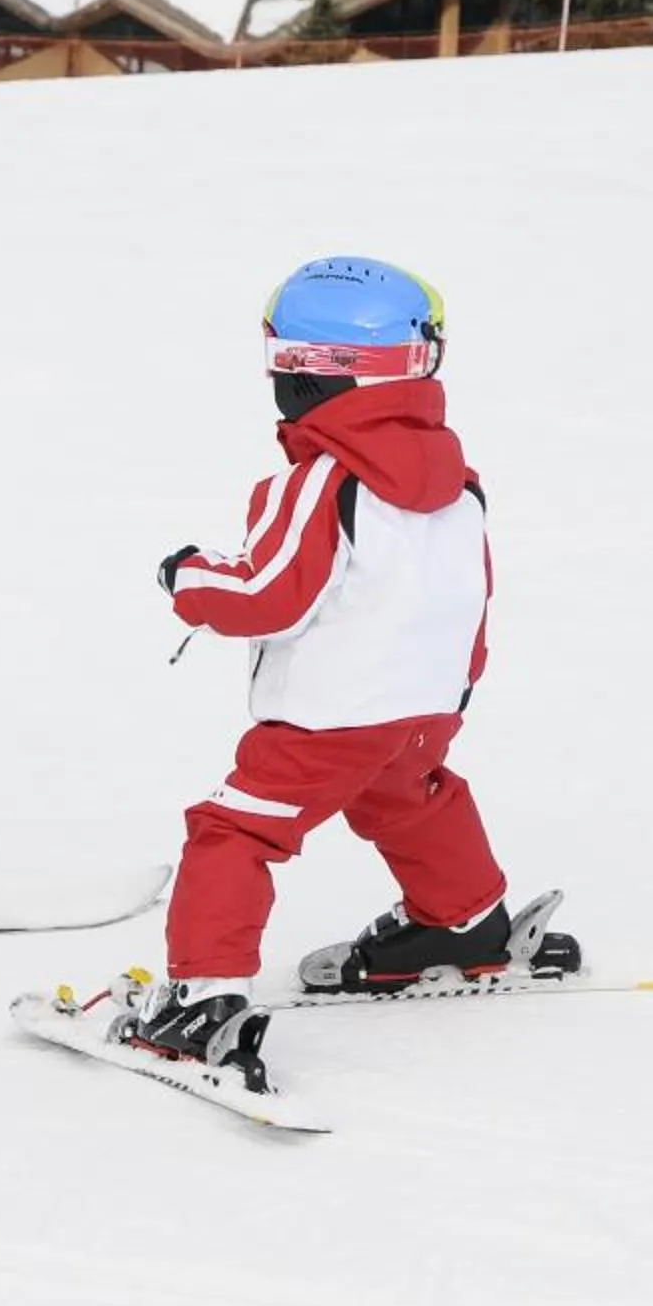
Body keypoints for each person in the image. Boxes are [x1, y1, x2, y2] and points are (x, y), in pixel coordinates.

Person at [127, 256, 569, 1085]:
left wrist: (189, 576)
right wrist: (452, 690)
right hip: (425, 707)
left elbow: (264, 593)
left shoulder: (326, 481)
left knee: (237, 830)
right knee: (409, 798)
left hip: (330, 718)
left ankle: (201, 1001)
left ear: (304, 374)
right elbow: (465, 595)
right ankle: (463, 923)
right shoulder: (457, 485)